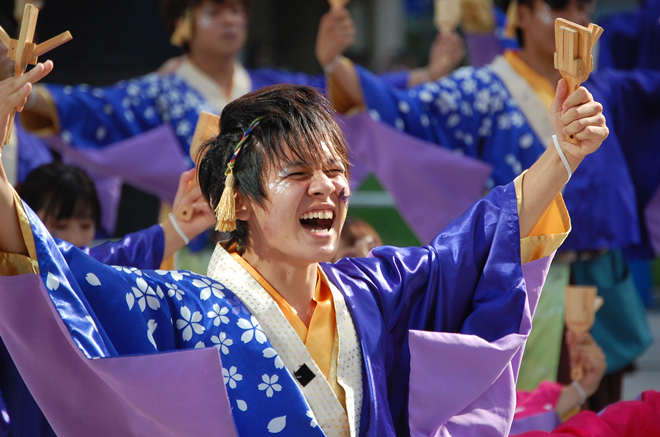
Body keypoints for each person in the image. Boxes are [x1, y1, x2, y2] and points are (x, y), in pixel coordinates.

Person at [0, 61, 609, 436]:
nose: (327, 187)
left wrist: (561, 155)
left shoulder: (371, 293)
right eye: (297, 173)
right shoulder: (179, 307)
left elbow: (474, 249)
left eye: (335, 168)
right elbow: (56, 279)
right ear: (237, 199)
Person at [323, 0, 659, 404]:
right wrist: (333, 62)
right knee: (527, 409)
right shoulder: (481, 88)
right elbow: (405, 111)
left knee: (604, 409)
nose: (575, 14)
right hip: (527, 276)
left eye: (582, 5)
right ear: (521, 13)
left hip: (603, 275)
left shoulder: (603, 91)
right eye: (557, 5)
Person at [1, 162, 215, 437]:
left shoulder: (86, 271)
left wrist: (179, 228)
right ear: (22, 217)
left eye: (85, 225)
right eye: (60, 225)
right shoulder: (18, 277)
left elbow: (109, 264)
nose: (74, 238)